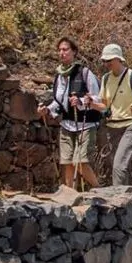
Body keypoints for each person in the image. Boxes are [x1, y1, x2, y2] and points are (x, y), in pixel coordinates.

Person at [38, 37, 103, 190]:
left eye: (65, 49)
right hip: (67, 123)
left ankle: (99, 189)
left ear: (74, 52)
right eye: (60, 50)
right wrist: (47, 110)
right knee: (67, 162)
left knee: (80, 161)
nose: (62, 53)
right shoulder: (59, 76)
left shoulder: (85, 73)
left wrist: (80, 101)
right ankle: (70, 196)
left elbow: (97, 97)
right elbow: (58, 101)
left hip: (85, 124)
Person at [97, 43, 132, 187]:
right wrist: (91, 104)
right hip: (112, 127)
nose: (107, 63)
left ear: (118, 59)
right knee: (123, 167)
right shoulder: (105, 79)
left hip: (131, 126)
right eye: (105, 61)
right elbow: (104, 106)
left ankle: (118, 201)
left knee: (119, 166)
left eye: (109, 60)